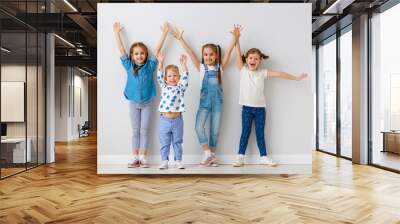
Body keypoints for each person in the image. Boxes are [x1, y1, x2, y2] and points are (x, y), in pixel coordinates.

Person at [232, 25, 307, 167]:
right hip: (247, 108)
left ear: (260, 61)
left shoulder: (263, 73)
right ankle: (240, 157)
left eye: (256, 58)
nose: (253, 60)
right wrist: (237, 38)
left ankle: (264, 157)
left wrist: (296, 78)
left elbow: (279, 73)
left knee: (260, 134)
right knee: (245, 133)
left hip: (260, 109)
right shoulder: (242, 70)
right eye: (250, 58)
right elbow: (237, 52)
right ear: (246, 59)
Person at [171, 25, 239, 166]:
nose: (208, 57)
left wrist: (235, 37)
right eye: (205, 54)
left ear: (216, 56)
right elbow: (190, 52)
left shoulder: (220, 67)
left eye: (211, 54)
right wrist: (180, 39)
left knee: (215, 130)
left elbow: (229, 51)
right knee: (198, 127)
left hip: (218, 103)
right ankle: (207, 152)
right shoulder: (202, 68)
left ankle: (212, 157)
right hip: (204, 103)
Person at [113, 21, 170, 168]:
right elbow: (121, 49)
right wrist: (117, 33)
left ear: (146, 55)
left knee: (144, 130)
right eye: (136, 53)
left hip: (148, 102)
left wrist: (164, 33)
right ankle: (135, 157)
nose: (139, 56)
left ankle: (143, 157)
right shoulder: (128, 65)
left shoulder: (150, 66)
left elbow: (157, 49)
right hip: (133, 102)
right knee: (135, 131)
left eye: (142, 53)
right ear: (132, 55)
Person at [156, 53, 189, 170]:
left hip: (177, 121)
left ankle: (178, 160)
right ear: (166, 78)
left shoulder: (180, 88)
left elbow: (186, 78)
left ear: (178, 77)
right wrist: (160, 62)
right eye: (169, 76)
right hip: (164, 120)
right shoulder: (164, 86)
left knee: (177, 142)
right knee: (164, 142)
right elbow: (159, 76)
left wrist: (184, 65)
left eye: (175, 75)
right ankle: (164, 161)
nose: (172, 78)